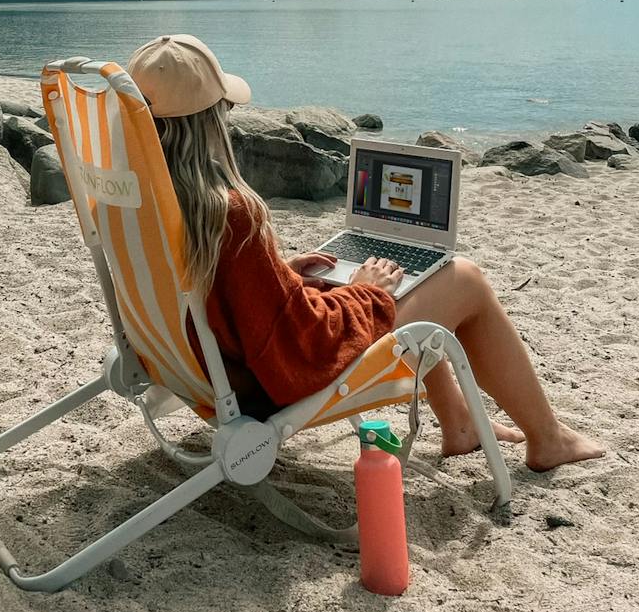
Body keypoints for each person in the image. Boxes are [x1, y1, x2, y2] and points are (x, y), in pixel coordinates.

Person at [128, 34, 604, 472]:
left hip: (197, 366)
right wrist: (360, 294)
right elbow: (300, 345)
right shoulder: (228, 212)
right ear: (210, 120)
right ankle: (548, 439)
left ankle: (459, 423)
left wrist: (280, 274)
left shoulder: (141, 196)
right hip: (259, 383)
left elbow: (204, 288)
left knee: (417, 281)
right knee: (462, 278)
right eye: (224, 110)